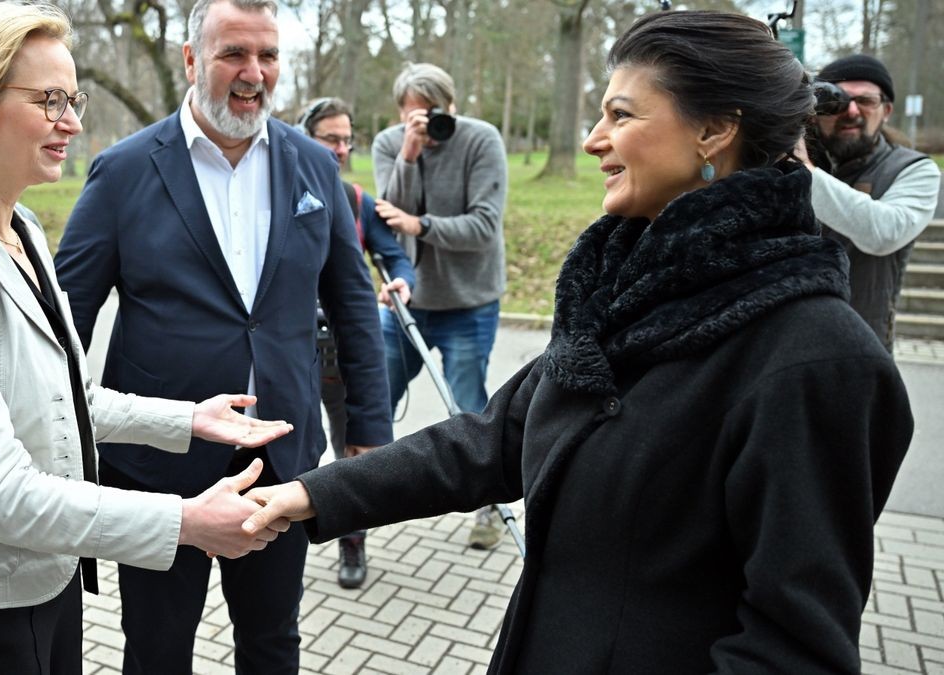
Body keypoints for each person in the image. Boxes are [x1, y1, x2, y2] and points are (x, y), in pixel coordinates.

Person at [242, 10, 914, 673]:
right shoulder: (623, 292)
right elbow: (493, 436)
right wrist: (310, 494)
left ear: (714, 130)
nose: (594, 140)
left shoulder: (817, 361)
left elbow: (793, 649)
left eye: (621, 115)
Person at [0, 4, 293, 673]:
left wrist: (190, 420)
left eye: (73, 98)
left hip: (42, 580)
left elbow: (68, 398)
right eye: (49, 99)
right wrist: (184, 521)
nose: (74, 122)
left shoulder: (20, 226)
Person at [52, 0, 392, 671]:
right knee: (156, 649)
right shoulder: (124, 171)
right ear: (190, 59)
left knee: (271, 643)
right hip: (158, 469)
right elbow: (63, 321)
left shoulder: (313, 165)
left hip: (283, 458)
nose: (254, 72)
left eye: (268, 55)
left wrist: (370, 429)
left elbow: (353, 302)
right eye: (234, 53)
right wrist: (53, 435)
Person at [371, 62, 509, 550]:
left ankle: (489, 508)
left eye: (433, 114)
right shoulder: (391, 143)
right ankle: (358, 501)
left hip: (470, 301)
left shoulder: (481, 139)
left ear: (451, 106)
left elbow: (484, 227)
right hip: (408, 301)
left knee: (467, 408)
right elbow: (383, 221)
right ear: (400, 114)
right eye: (413, 117)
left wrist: (420, 225)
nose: (425, 126)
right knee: (373, 394)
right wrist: (408, 156)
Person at [297, 96, 414, 588]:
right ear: (306, 138)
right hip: (293, 356)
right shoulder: (278, 190)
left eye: (348, 139)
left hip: (345, 355)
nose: (342, 148)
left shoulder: (357, 199)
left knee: (354, 452)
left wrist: (402, 281)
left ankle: (352, 543)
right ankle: (282, 547)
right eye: (332, 138)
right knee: (298, 452)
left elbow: (394, 256)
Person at [793, 54, 941, 351]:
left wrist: (802, 170)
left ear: (886, 110)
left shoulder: (914, 170)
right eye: (836, 100)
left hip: (860, 350)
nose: (850, 110)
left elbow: (883, 232)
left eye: (865, 101)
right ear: (814, 110)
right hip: (781, 344)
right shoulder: (786, 158)